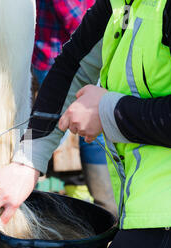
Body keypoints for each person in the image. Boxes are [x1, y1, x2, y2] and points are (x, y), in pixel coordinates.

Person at [0, 0, 171, 248]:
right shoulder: (121, 4)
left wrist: (107, 111)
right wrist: (27, 163)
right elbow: (72, 63)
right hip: (151, 219)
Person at [32, 0, 117, 214]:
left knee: (79, 127)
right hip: (63, 61)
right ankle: (106, 204)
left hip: (75, 56)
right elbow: (77, 21)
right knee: (88, 129)